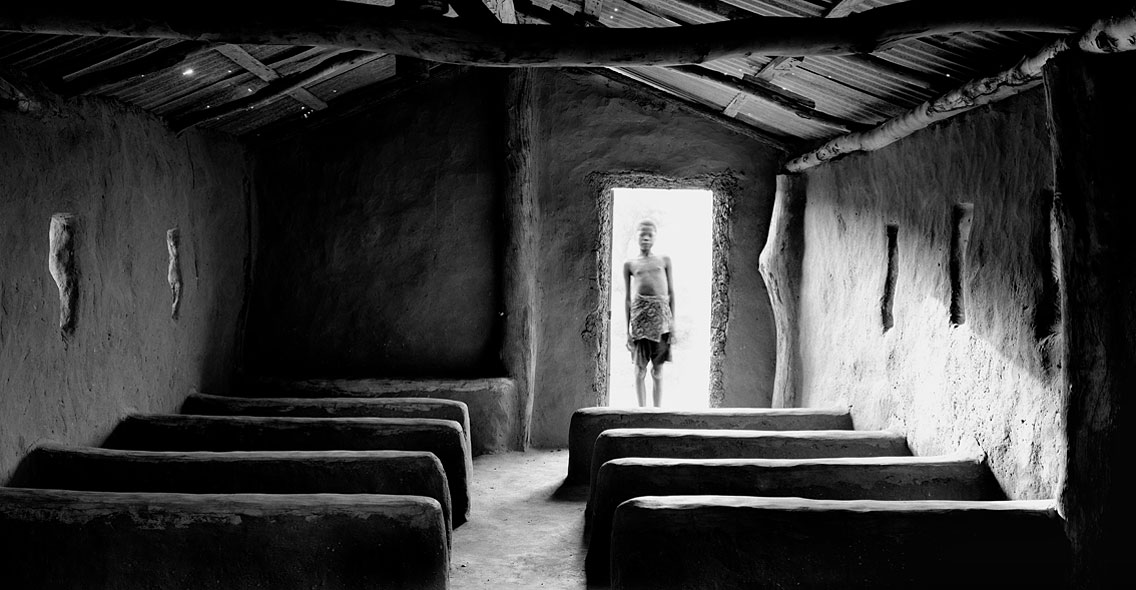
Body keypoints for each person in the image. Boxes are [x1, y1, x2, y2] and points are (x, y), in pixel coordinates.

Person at [623, 219, 674, 407]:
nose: (645, 237)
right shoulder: (630, 264)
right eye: (642, 234)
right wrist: (627, 330)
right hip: (639, 323)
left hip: (661, 323)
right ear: (636, 236)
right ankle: (641, 411)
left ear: (655, 237)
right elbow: (628, 299)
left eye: (649, 234)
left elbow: (671, 294)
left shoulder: (663, 261)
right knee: (639, 371)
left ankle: (657, 412)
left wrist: (672, 325)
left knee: (658, 372)